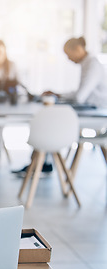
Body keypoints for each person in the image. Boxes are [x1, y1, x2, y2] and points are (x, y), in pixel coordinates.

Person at [13, 36, 107, 177]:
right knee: (49, 117)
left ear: (78, 49)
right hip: (89, 110)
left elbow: (80, 97)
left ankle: (43, 163)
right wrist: (57, 95)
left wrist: (57, 96)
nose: (69, 59)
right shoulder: (86, 64)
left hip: (97, 113)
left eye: (69, 55)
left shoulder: (92, 64)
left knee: (49, 119)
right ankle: (42, 162)